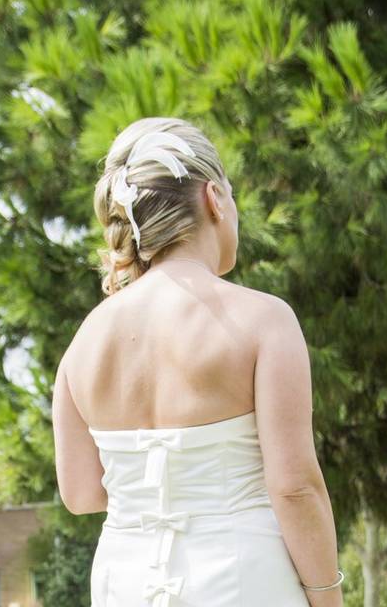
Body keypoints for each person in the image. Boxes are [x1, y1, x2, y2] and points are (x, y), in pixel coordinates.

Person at [52, 116, 344, 607]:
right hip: (242, 582)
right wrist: (327, 598)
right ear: (214, 199)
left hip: (123, 584)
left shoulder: (83, 343)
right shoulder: (264, 321)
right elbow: (294, 487)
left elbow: (81, 495)